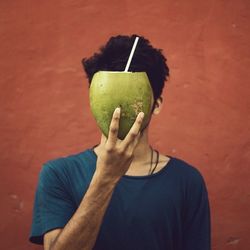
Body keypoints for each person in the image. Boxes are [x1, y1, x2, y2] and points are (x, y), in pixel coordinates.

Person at [29, 34, 211, 250]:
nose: (120, 109)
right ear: (94, 99)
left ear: (157, 104)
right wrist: (105, 179)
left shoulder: (187, 182)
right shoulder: (59, 174)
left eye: (131, 96)